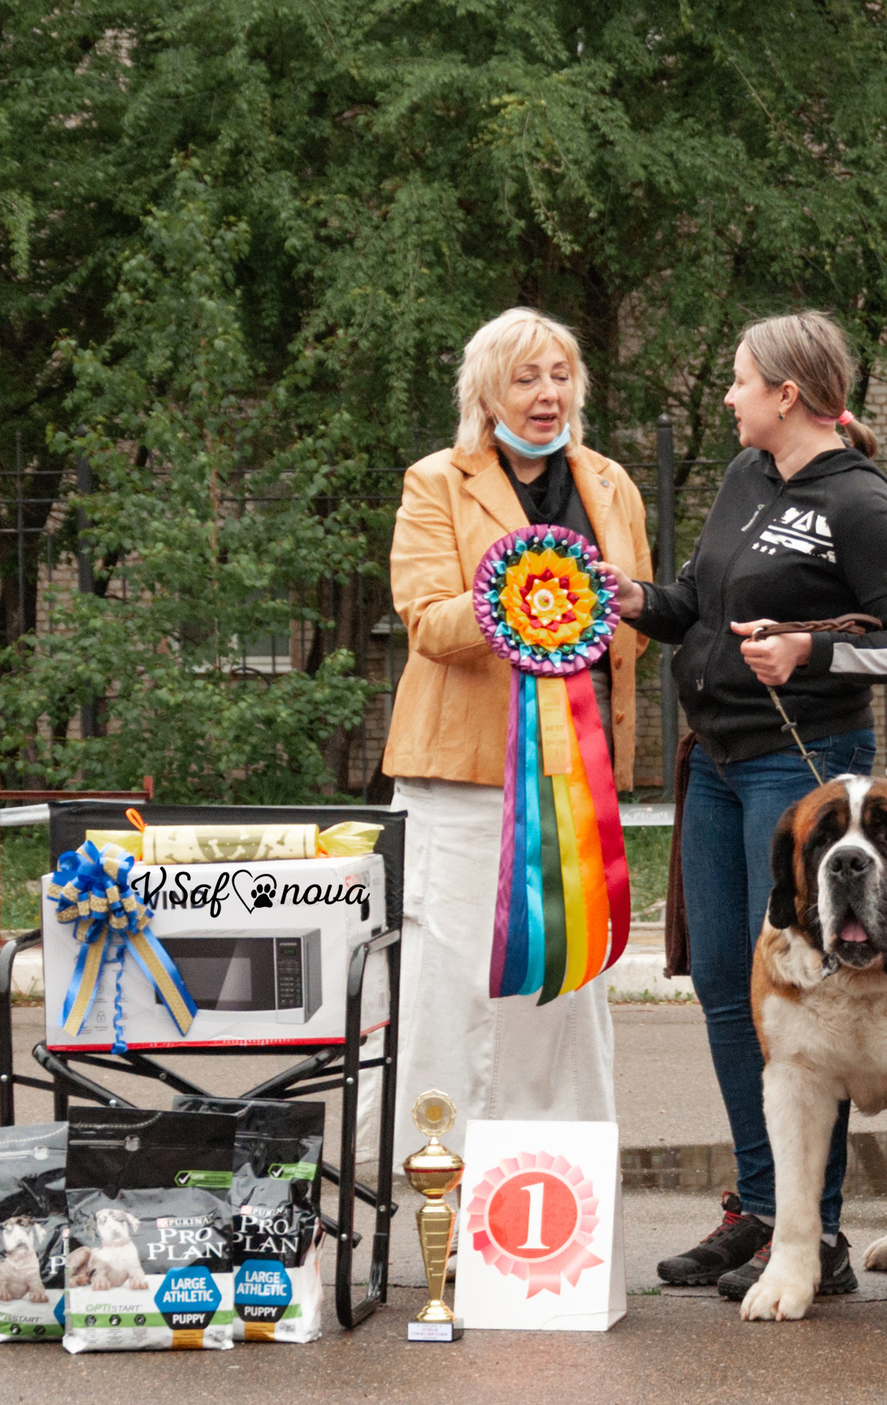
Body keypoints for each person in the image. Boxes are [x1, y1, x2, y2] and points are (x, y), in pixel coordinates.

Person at [594, 312, 887, 1304]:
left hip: (807, 767)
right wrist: (633, 597)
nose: (729, 395)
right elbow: (700, 604)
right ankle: (760, 1204)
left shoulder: (860, 501)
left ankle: (815, 1231)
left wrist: (809, 651)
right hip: (717, 762)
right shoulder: (747, 478)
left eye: (740, 381)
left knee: (800, 992)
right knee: (720, 979)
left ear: (786, 393)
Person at [384, 307, 652, 1158]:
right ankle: (445, 1187)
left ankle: (555, 1210)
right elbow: (426, 621)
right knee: (456, 998)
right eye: (527, 378)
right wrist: (525, 600)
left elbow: (631, 624)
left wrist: (594, 610)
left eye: (561, 375)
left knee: (566, 995)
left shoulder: (612, 483)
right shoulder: (436, 481)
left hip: (573, 784)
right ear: (487, 390)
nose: (548, 395)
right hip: (461, 784)